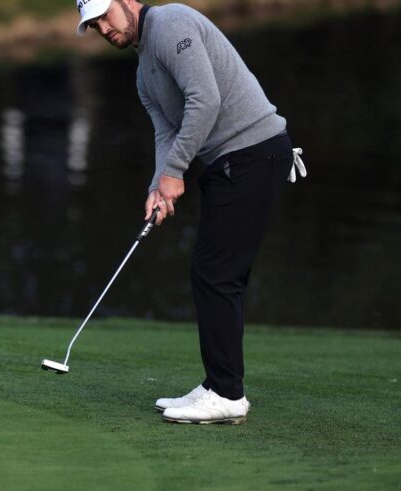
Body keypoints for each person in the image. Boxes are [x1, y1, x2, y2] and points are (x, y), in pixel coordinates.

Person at [75, 0, 306, 424]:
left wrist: (176, 172)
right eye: (93, 25)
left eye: (105, 17)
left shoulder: (170, 23)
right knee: (217, 274)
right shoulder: (144, 71)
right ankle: (219, 385)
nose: (104, 30)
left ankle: (226, 393)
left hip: (253, 152)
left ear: (127, 2)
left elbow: (205, 100)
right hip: (232, 161)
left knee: (215, 273)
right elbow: (167, 131)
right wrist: (158, 186)